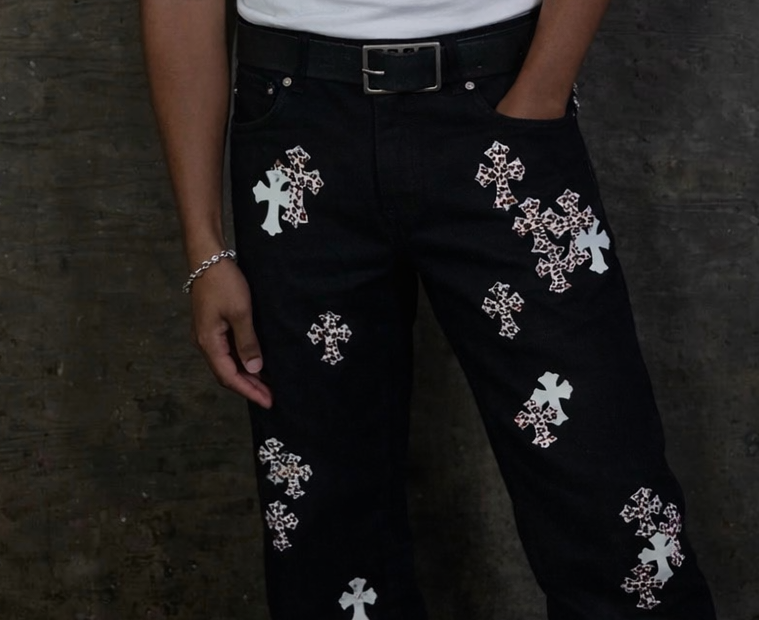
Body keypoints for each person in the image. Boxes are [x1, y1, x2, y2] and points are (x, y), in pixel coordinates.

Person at [141, 0, 718, 618]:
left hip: (501, 105)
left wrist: (541, 94)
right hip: (295, 131)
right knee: (324, 528)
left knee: (613, 505)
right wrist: (204, 248)